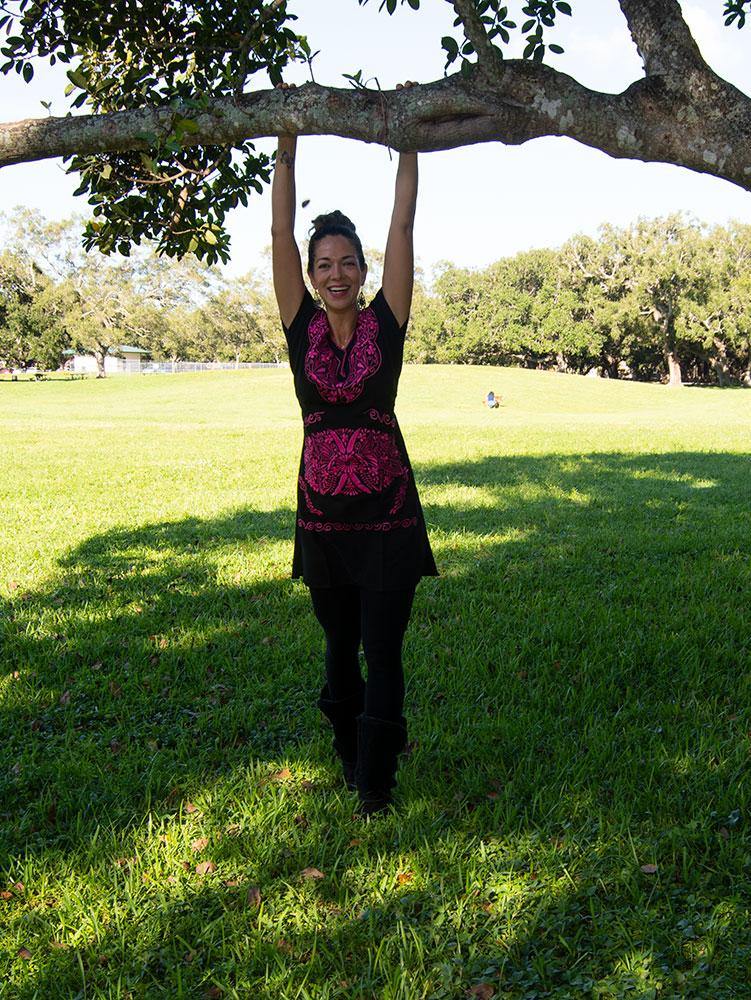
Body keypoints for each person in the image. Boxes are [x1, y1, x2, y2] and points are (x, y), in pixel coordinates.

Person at [271, 104, 437, 815]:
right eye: (324, 265)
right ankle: (350, 755)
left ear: (365, 269)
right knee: (339, 651)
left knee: (384, 650)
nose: (336, 274)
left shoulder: (386, 324)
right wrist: (286, 142)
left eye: (347, 263)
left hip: (390, 519)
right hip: (324, 522)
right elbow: (279, 229)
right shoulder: (300, 323)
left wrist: (405, 141)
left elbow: (403, 225)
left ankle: (376, 786)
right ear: (310, 276)